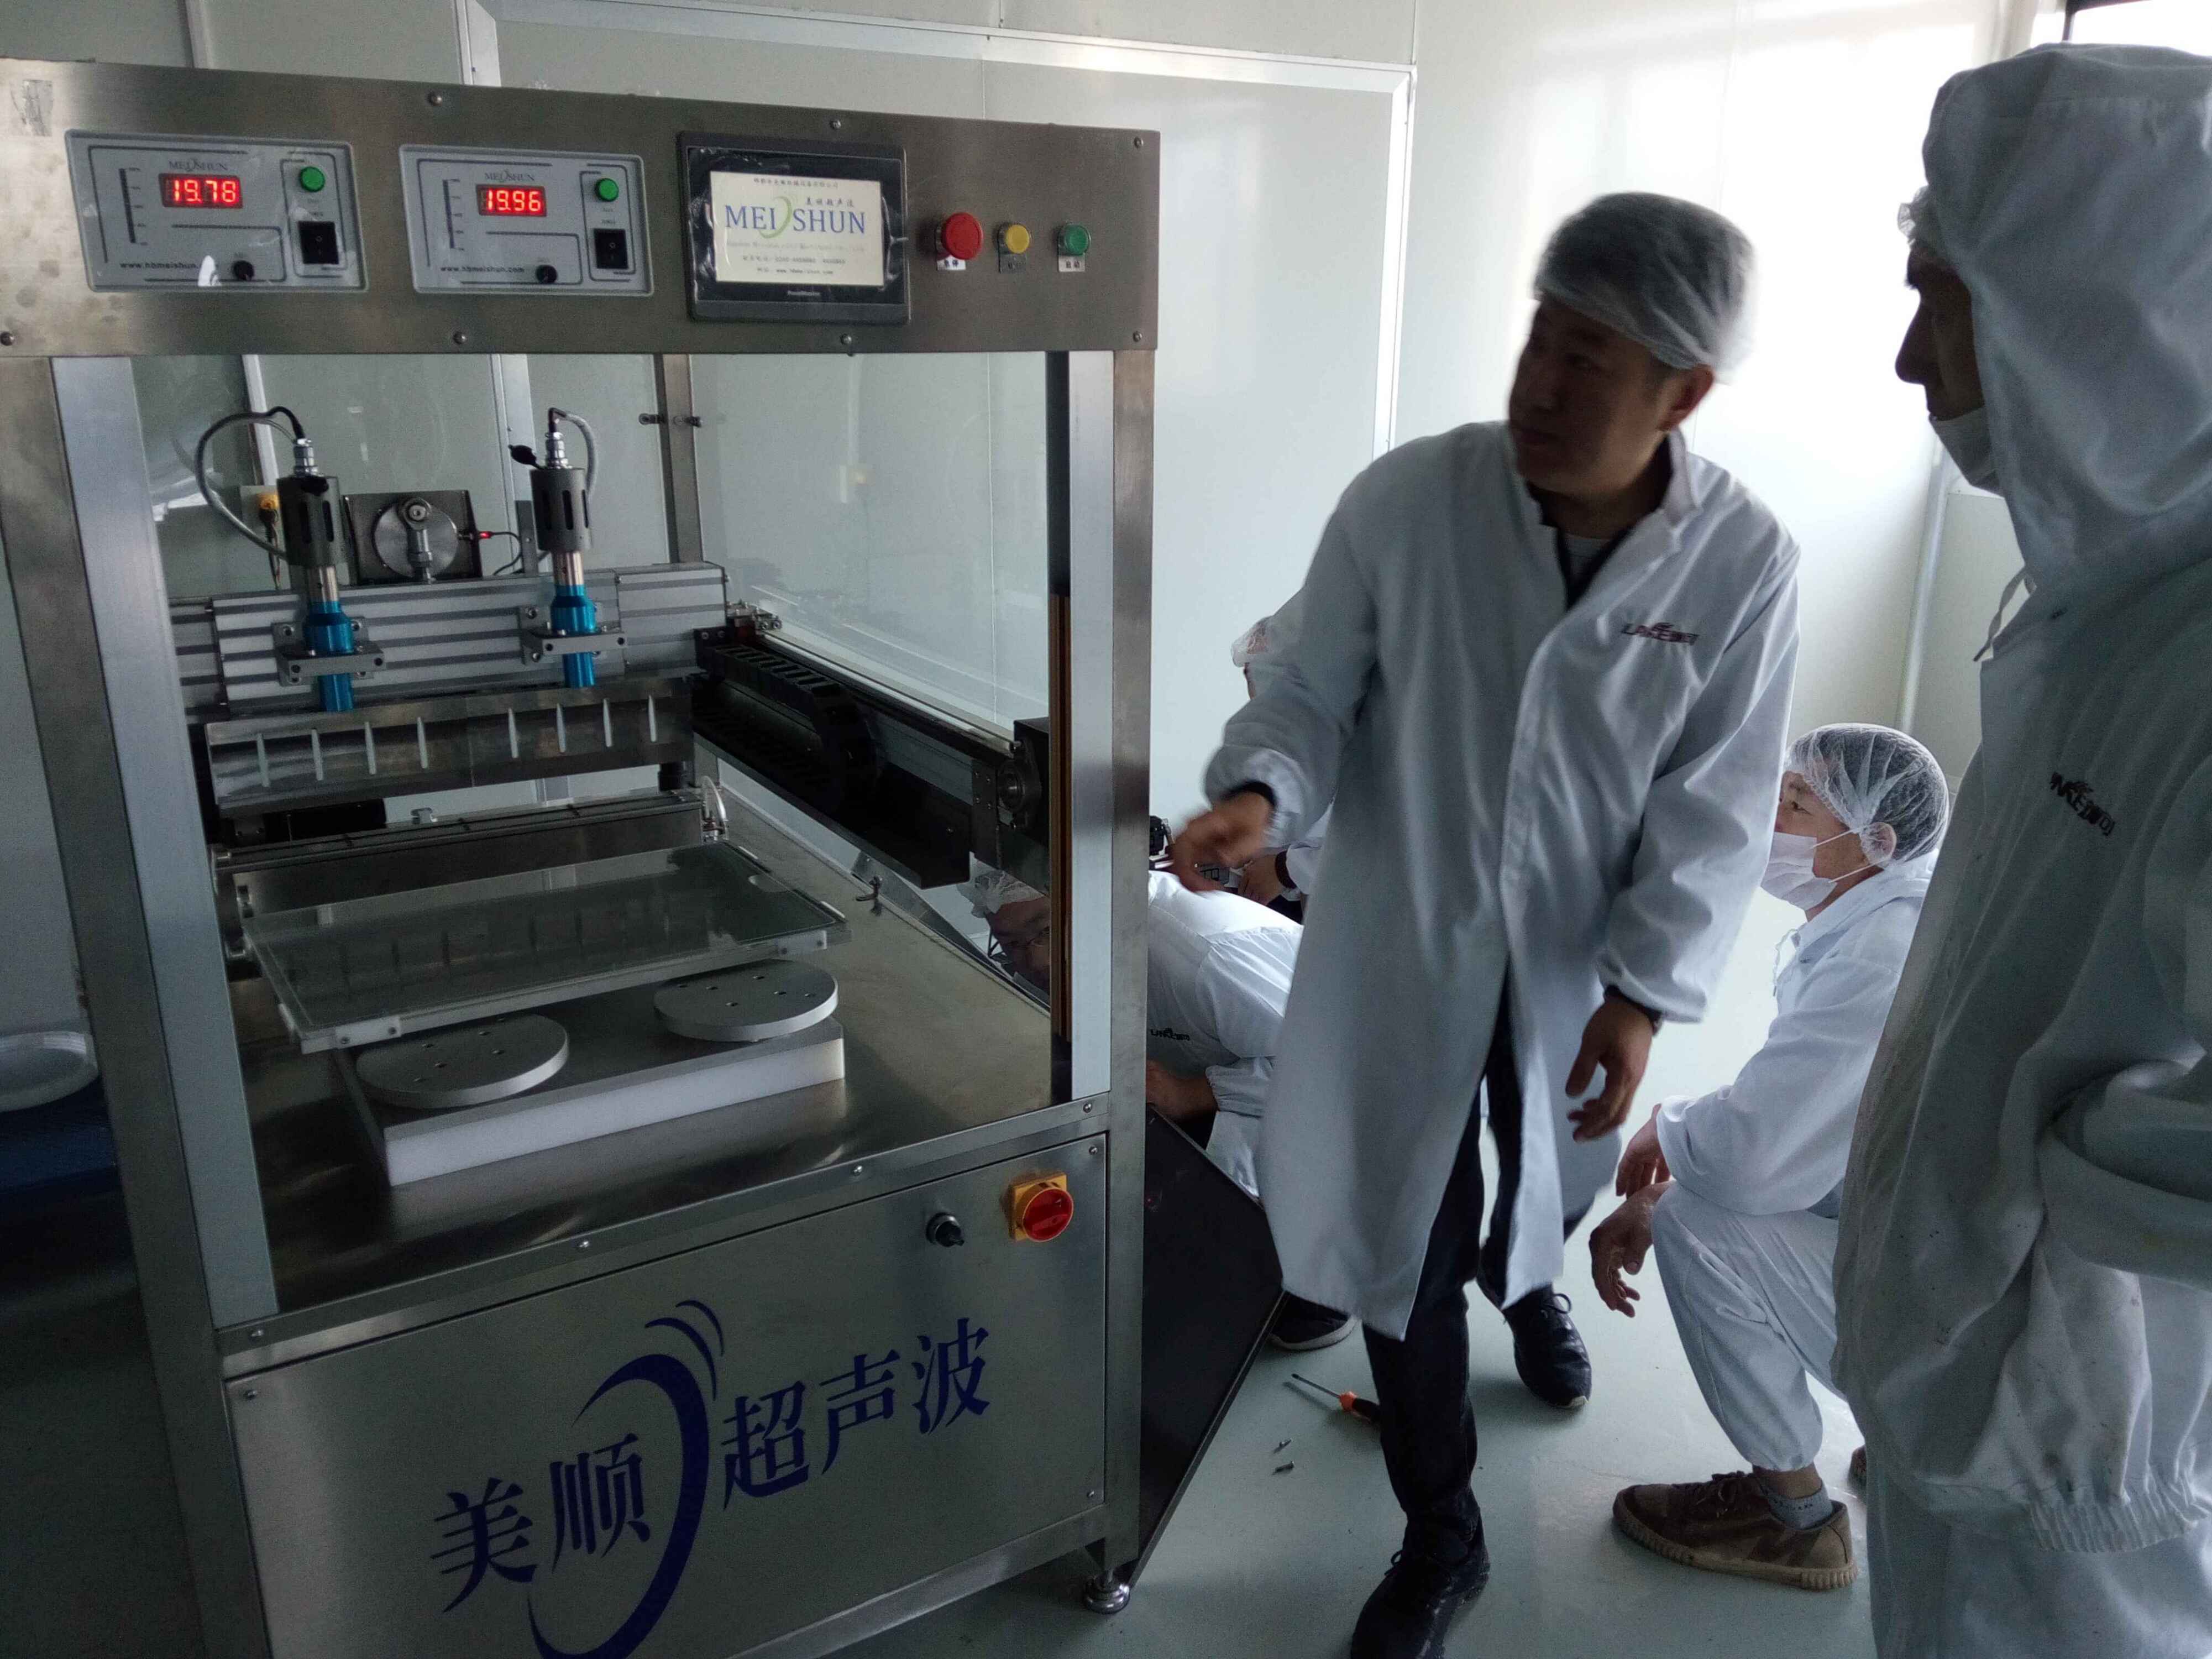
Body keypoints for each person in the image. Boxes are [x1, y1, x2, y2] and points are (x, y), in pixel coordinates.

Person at [1172, 192, 1799, 1659]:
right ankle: (1443, 1532)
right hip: (1409, 930)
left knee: (1542, 1180)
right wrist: (1262, 795)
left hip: (1582, 963)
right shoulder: (1411, 501)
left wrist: (1643, 993)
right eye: (1540, 338)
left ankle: (1527, 1292)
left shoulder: (1740, 561)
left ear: (1682, 395)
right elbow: (1307, 691)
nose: (1542, 382)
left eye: (1591, 358)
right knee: (1407, 1234)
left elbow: (1714, 800)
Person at [1833, 46, 2212, 1658]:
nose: (1906, 354)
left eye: (1944, 301)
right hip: (1975, 1398)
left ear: (2096, 308)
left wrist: (2029, 1202)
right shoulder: (2100, 603)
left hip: (2084, 1454)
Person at [1586, 725, 1947, 1591]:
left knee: (1696, 1219)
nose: (1765, 816)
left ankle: (1793, 1519)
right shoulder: (1890, 916)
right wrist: (1684, 1140)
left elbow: (1755, 1159)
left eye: (1794, 804)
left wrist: (1667, 1136)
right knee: (1702, 1187)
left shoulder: (1880, 953)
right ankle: (1911, 1445)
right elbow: (1816, 1128)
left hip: (1958, 1320)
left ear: (1872, 842)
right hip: (1944, 1262)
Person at [962, 857, 1357, 1351]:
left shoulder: (1202, 956)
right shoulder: (1095, 936)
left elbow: (1335, 1067)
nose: (1035, 961)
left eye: (1043, 930)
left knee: (1240, 1187)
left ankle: (1317, 1293)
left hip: (1341, 1090)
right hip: (1231, 1064)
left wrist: (1192, 1093)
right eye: (1013, 943)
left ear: (1088, 895)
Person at [1228, 612, 1327, 919]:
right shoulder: (1275, 743)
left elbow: (1363, 841)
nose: (1253, 685)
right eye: (1248, 675)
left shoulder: (1339, 740)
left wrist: (1283, 870)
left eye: (1259, 672)